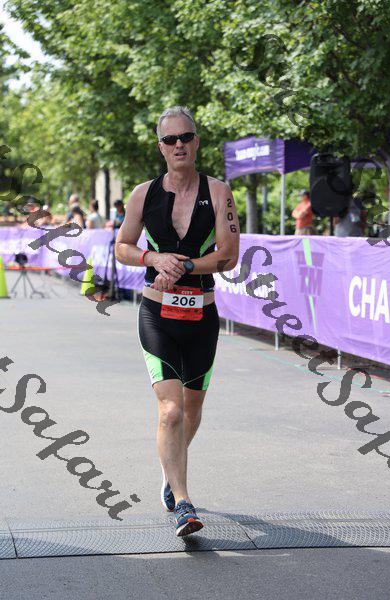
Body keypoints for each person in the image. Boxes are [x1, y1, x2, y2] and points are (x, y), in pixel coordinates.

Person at [115, 106, 240, 537]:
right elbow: (122, 247)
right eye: (170, 140)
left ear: (197, 142)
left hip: (201, 315)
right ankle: (184, 502)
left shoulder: (219, 192)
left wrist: (183, 265)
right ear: (161, 147)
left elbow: (229, 256)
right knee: (170, 411)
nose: (179, 145)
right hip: (157, 314)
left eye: (186, 137)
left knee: (191, 410)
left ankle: (171, 471)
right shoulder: (142, 194)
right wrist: (153, 258)